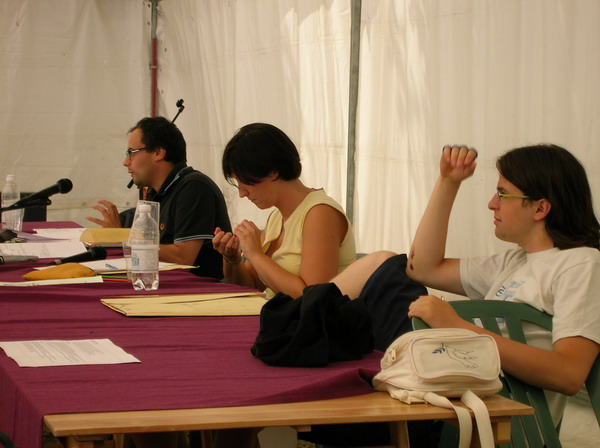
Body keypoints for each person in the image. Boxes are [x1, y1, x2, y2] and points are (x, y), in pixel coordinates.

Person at [333, 144, 600, 428]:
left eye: (502, 194)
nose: (492, 204)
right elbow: (420, 268)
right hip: (451, 394)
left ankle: (304, 335)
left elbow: (569, 374)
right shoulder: (515, 261)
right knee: (387, 268)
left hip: (480, 418)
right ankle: (309, 345)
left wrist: (457, 326)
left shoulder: (581, 264)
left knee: (386, 272)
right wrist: (448, 182)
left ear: (540, 208)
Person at [212, 122, 356, 299]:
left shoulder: (320, 213)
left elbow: (312, 298)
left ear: (273, 171)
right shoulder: (277, 217)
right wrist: (232, 259)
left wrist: (255, 255)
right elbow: (251, 285)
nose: (242, 193)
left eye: (246, 181)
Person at [86, 116, 232, 279]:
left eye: (131, 153)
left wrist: (120, 238)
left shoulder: (194, 187)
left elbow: (183, 257)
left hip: (200, 288)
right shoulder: (154, 192)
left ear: (158, 152)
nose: (125, 162)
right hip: (165, 283)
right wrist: (115, 236)